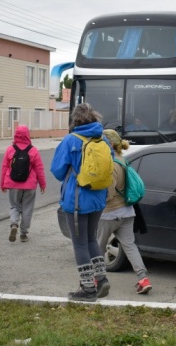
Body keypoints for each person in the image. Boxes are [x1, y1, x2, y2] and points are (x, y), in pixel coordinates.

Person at [50, 103, 112, 302]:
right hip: (98, 199)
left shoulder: (70, 141)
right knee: (91, 238)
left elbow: (58, 171)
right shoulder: (103, 139)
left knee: (79, 243)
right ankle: (101, 279)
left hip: (76, 200)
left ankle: (87, 288)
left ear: (75, 121)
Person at [97, 129, 153, 294]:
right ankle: (143, 279)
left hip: (109, 213)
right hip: (127, 212)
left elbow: (109, 193)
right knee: (130, 246)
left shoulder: (111, 163)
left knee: (98, 247)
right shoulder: (123, 160)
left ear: (110, 144)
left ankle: (96, 280)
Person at [0, 125, 46, 243]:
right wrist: (42, 184)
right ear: (27, 135)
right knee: (27, 208)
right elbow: (39, 169)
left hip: (13, 184)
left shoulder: (10, 149)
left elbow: (4, 168)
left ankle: (14, 224)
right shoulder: (33, 150)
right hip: (30, 185)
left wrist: (3, 184)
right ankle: (24, 234)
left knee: (14, 206)